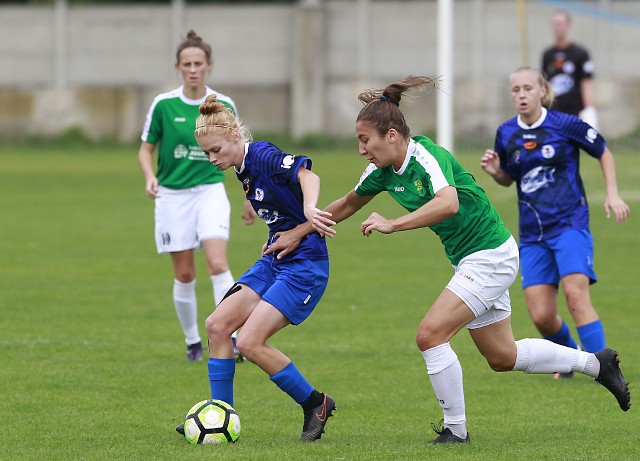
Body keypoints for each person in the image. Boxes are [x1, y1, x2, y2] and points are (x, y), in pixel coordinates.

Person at [266, 75, 631, 444]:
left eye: (365, 140)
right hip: (473, 259)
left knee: (430, 335)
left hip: (489, 255)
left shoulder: (426, 156)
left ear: (391, 135)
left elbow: (448, 202)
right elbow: (346, 203)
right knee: (502, 356)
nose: (361, 149)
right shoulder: (381, 171)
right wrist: (299, 232)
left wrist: (394, 224)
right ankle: (595, 363)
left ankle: (456, 431)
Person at [176, 94, 337, 441]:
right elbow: (266, 195)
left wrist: (310, 209)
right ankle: (221, 416)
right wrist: (252, 206)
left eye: (216, 150)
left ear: (235, 134)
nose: (211, 158)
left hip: (305, 265)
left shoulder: (262, 154)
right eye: (206, 153)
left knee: (248, 342)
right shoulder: (242, 168)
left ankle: (316, 404)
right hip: (275, 260)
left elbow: (308, 175)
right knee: (217, 326)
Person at [481, 67, 630, 379]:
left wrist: (612, 194)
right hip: (533, 234)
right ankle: (573, 359)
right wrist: (497, 172)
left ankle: (605, 368)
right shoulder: (507, 133)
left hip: (569, 224)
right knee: (542, 316)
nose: (521, 95)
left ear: (541, 91)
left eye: (527, 88)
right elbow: (510, 179)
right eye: (516, 90)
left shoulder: (565, 124)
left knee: (576, 296)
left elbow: (603, 151)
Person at [138, 30, 255, 362]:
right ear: (178, 67)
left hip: (209, 191)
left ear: (208, 66)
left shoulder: (222, 104)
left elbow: (241, 152)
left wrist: (250, 196)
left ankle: (230, 338)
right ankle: (192, 342)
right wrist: (150, 177)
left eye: (198, 63)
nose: (193, 69)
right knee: (185, 273)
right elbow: (146, 150)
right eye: (186, 63)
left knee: (218, 264)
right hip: (172, 196)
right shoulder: (164, 105)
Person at [541, 9, 598, 128]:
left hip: (574, 111)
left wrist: (589, 110)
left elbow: (586, 82)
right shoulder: (547, 55)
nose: (558, 27)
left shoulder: (580, 53)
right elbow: (544, 84)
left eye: (561, 24)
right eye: (555, 24)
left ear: (568, 26)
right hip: (554, 112)